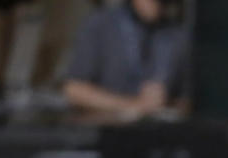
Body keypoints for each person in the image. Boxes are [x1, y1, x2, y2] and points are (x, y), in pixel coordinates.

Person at [62, 0, 192, 120]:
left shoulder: (176, 34)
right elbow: (74, 90)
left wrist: (167, 102)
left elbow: (185, 99)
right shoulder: (102, 25)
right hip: (107, 132)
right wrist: (132, 104)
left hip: (159, 132)